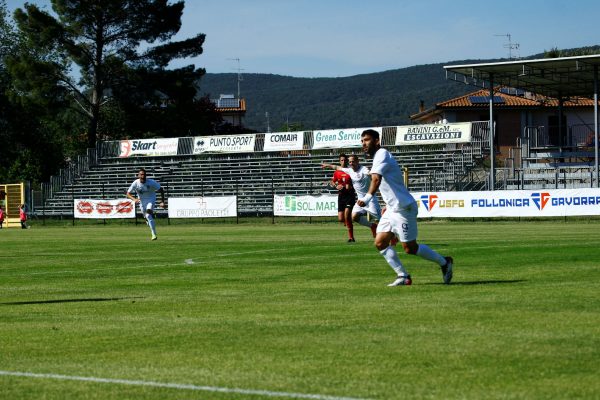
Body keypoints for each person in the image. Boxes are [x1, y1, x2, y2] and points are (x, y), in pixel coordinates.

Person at [357, 129, 453, 286]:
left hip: (403, 208)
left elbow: (376, 179)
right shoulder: (378, 157)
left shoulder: (382, 153)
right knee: (380, 242)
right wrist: (386, 205)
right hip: (391, 209)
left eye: (366, 140)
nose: (363, 144)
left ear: (377, 141)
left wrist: (367, 198)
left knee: (410, 248)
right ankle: (403, 276)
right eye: (362, 141)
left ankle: (445, 262)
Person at [322, 154, 380, 238]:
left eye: (353, 161)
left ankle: (393, 236)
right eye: (350, 162)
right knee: (354, 216)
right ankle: (373, 226)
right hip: (360, 200)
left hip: (370, 199)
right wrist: (328, 165)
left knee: (381, 219)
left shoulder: (363, 169)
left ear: (357, 161)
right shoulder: (349, 170)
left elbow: (370, 173)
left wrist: (372, 174)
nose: (351, 163)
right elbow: (337, 167)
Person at [126, 168, 166, 240]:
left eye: (144, 174)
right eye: (141, 174)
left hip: (151, 199)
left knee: (148, 215)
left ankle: (153, 234)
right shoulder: (135, 183)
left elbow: (161, 189)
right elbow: (128, 194)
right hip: (141, 202)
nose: (142, 176)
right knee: (147, 216)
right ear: (138, 175)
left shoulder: (151, 182)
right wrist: (134, 199)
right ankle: (147, 219)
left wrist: (162, 201)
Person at [326, 154, 356, 242]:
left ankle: (351, 237)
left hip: (350, 195)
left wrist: (349, 186)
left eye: (345, 160)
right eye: (342, 160)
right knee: (341, 219)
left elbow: (356, 183)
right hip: (341, 196)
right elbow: (332, 182)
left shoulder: (350, 171)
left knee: (347, 215)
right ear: (339, 161)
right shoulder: (337, 172)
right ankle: (348, 221)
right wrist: (336, 186)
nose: (343, 162)